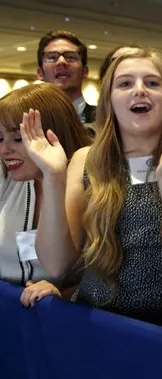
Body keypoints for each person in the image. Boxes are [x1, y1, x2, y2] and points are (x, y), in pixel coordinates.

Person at [24, 49, 162, 334]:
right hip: (97, 328)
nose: (140, 90)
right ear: (109, 101)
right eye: (125, 84)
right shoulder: (86, 161)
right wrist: (53, 177)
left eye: (152, 83)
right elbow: (55, 265)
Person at [0, 83, 91, 306]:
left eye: (19, 139)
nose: (4, 150)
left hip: (68, 322)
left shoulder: (88, 178)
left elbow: (109, 275)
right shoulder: (8, 176)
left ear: (54, 133)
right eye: (0, 138)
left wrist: (66, 294)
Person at [36, 30, 96, 124]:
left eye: (70, 57)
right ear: (40, 73)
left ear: (85, 71)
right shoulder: (25, 120)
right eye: (52, 57)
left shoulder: (105, 120)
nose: (61, 62)